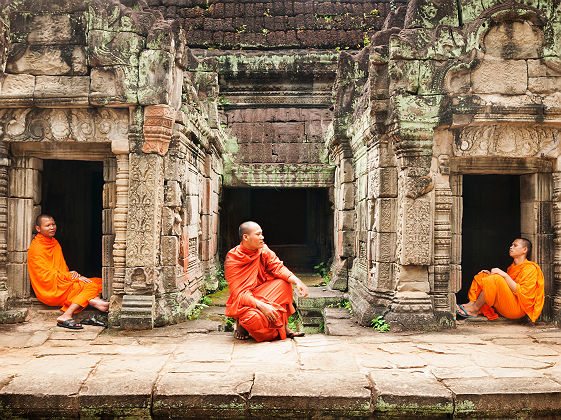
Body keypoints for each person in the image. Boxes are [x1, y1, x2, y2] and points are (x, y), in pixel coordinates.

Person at [225, 221, 309, 341]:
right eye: (258, 234)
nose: (262, 237)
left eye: (262, 234)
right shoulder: (233, 258)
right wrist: (262, 306)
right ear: (246, 237)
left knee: (284, 284)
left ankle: (283, 327)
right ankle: (242, 325)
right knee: (252, 319)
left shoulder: (263, 250)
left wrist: (297, 281)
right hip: (245, 302)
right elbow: (239, 294)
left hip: (262, 293)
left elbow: (277, 267)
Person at [27, 214, 109, 329]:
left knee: (100, 282)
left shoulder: (54, 242)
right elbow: (45, 277)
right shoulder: (36, 248)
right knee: (90, 286)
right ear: (38, 229)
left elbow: (62, 269)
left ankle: (94, 301)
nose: (52, 227)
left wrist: (70, 275)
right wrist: (72, 277)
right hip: (50, 289)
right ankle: (66, 315)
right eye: (47, 225)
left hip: (61, 282)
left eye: (53, 224)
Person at [456, 238, 544, 322]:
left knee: (496, 278)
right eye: (511, 245)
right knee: (483, 276)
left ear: (524, 250)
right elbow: (505, 287)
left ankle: (474, 309)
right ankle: (471, 304)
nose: (511, 247)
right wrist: (491, 276)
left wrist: (504, 275)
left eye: (515, 245)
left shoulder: (530, 268)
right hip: (506, 303)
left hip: (517, 309)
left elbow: (522, 292)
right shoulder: (512, 267)